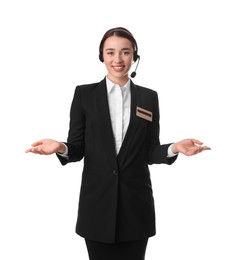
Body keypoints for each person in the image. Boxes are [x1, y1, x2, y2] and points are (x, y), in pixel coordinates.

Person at [26, 27, 211, 260]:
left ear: (134, 55)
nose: (118, 59)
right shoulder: (84, 95)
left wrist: (175, 148)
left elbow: (150, 151)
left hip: (135, 207)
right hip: (97, 207)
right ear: (101, 55)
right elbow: (77, 148)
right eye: (111, 52)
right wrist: (61, 147)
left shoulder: (148, 97)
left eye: (125, 52)